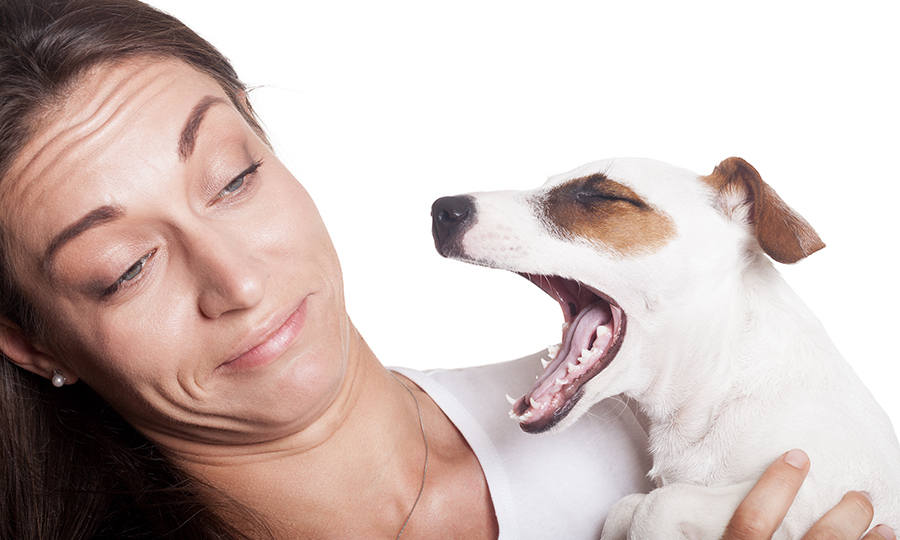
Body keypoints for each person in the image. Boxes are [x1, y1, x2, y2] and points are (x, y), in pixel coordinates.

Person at [0, 1, 892, 538]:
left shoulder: (674, 420)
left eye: (234, 179)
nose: (236, 283)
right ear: (34, 343)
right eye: (125, 268)